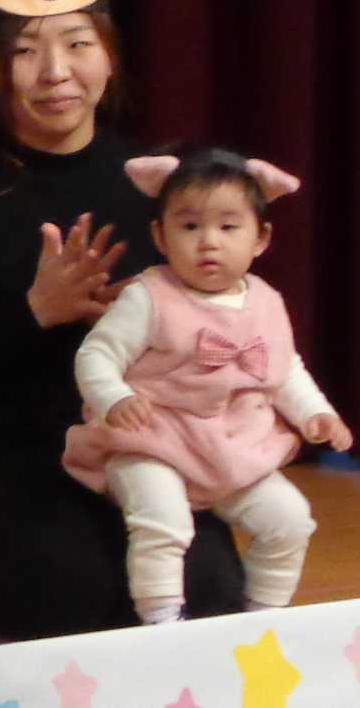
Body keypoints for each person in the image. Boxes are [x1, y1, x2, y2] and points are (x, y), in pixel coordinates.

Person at [0, 4, 248, 639]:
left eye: (78, 44)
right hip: (0, 458)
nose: (55, 71)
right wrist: (36, 313)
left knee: (211, 589)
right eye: (27, 50)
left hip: (138, 449)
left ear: (109, 59)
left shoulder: (154, 186)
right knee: (70, 591)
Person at [63, 148, 353, 625]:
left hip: (231, 449)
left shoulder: (267, 301)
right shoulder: (150, 297)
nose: (209, 242)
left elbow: (285, 369)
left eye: (229, 226)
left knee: (291, 519)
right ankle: (162, 623)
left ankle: (263, 618)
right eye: (190, 226)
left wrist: (314, 413)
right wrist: (116, 397)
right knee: (164, 521)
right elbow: (96, 355)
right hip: (154, 442)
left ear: (261, 238)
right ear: (161, 236)